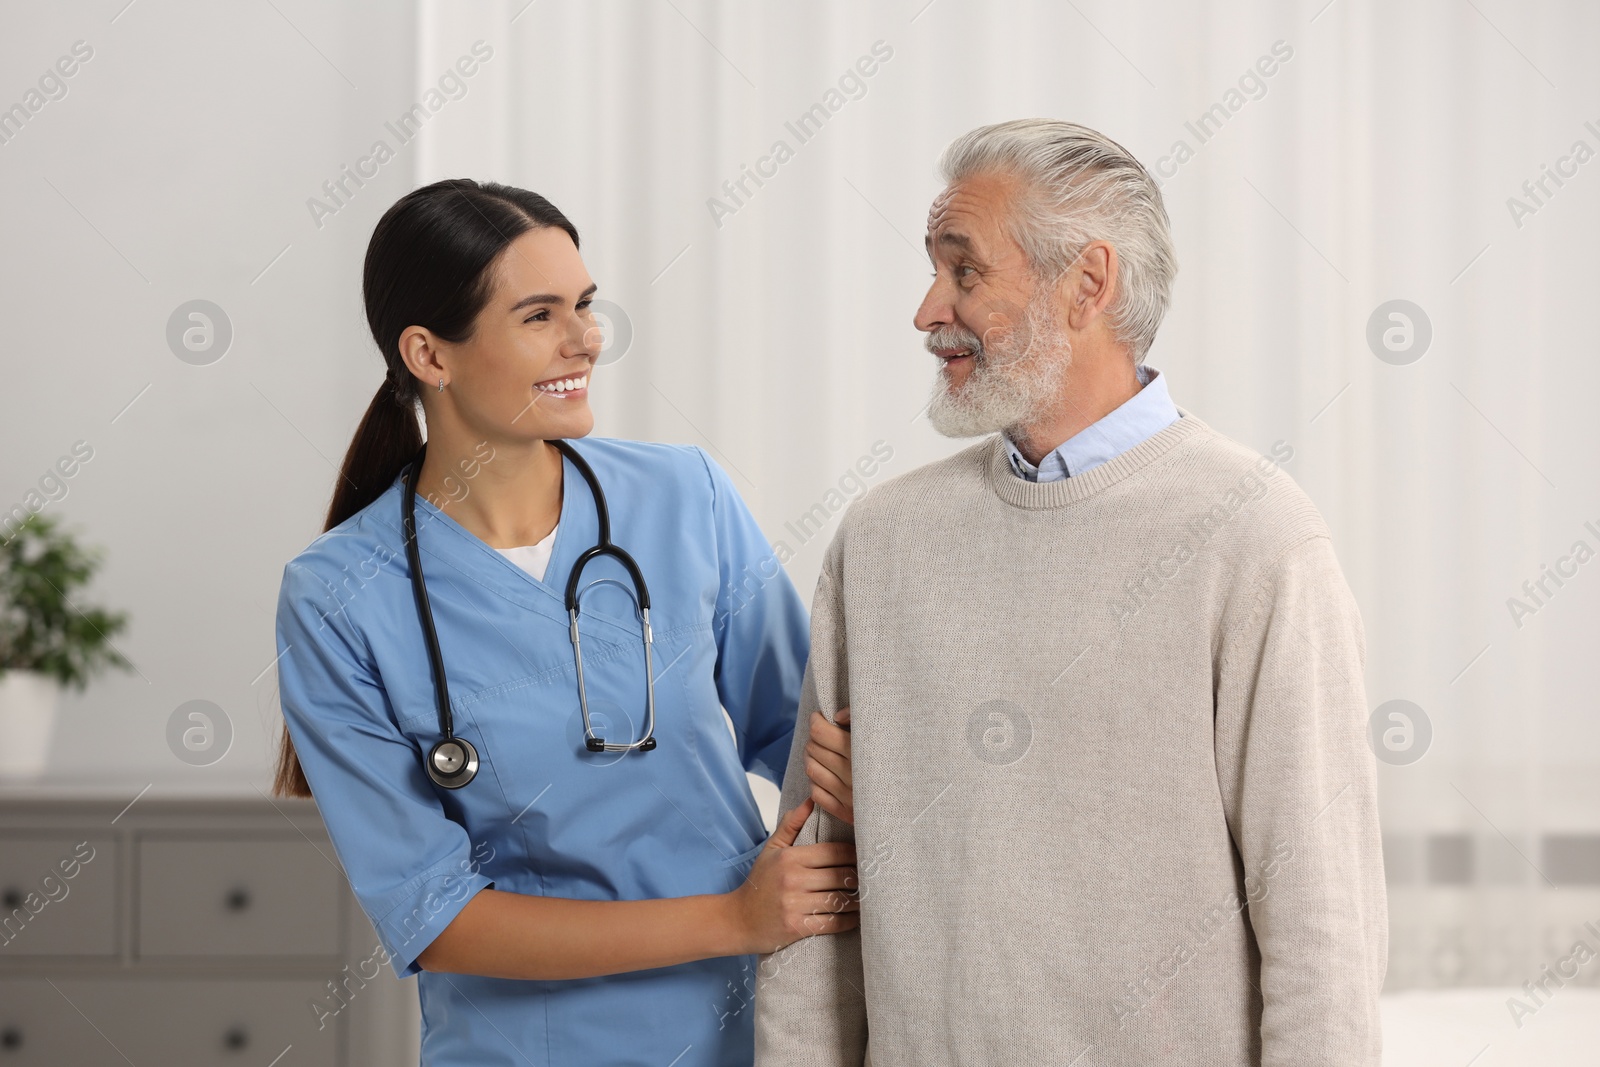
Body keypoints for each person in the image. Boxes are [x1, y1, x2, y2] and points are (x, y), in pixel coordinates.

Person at [755, 119, 1387, 1065]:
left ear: (1089, 282)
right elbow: (820, 882)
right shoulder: (881, 539)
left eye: (965, 272)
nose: (929, 309)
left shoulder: (1257, 536)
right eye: (935, 269)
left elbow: (1320, 920)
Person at [271, 178, 858, 1067]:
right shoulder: (338, 596)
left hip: (752, 1032)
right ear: (430, 353)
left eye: (584, 304)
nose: (587, 338)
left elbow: (806, 736)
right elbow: (437, 918)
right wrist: (733, 917)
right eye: (539, 314)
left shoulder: (682, 495)